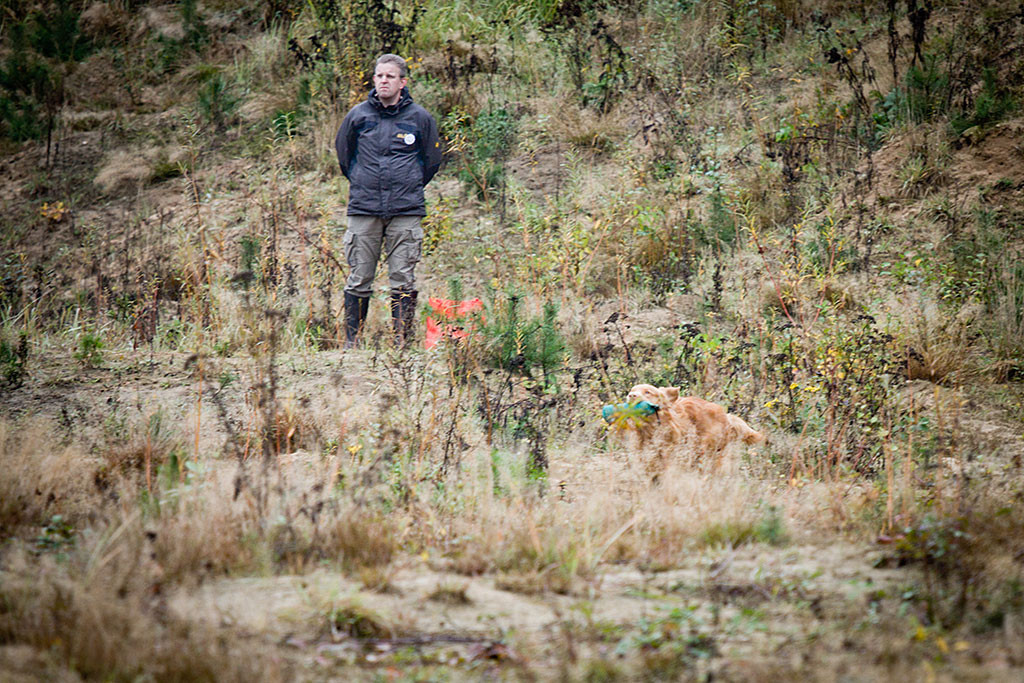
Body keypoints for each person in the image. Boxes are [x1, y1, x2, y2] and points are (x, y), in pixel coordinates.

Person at [335, 53, 442, 348]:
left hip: (405, 210)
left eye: (390, 76)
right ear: (374, 80)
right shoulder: (358, 116)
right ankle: (352, 342)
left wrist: (408, 186)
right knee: (359, 276)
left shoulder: (420, 118)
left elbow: (431, 161)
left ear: (402, 82)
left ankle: (403, 344)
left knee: (403, 278)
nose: (384, 81)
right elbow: (345, 157)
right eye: (380, 76)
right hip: (364, 209)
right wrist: (363, 182)